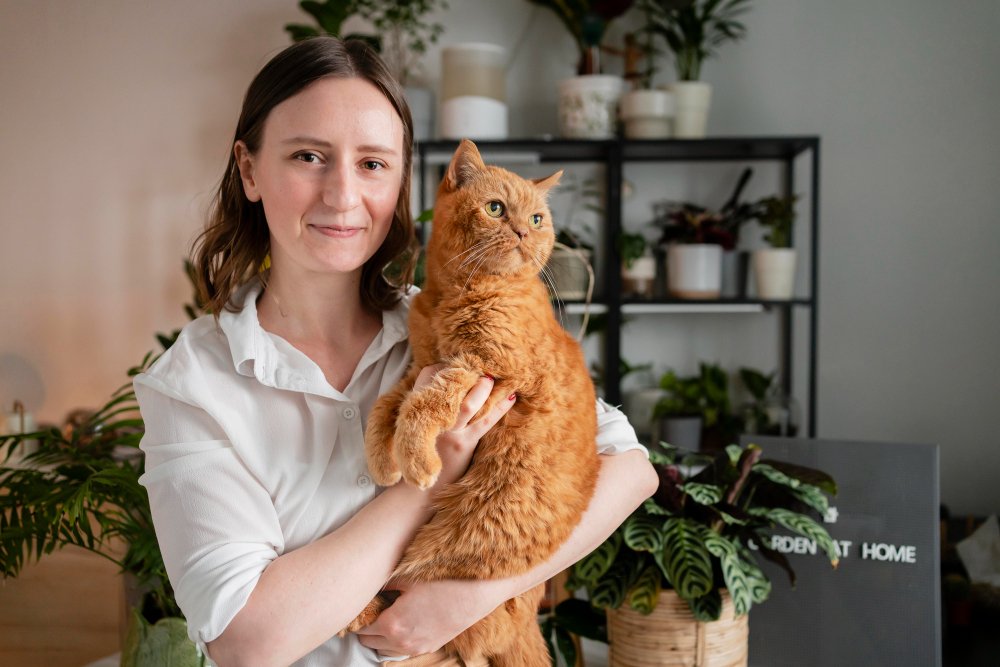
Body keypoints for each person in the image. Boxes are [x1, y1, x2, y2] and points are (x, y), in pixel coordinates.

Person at [135, 37, 658, 667]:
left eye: (374, 164)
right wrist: (427, 479)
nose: (342, 195)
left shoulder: (447, 323)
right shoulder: (192, 385)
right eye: (308, 156)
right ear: (249, 169)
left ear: (403, 181)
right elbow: (248, 641)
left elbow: (630, 467)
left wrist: (471, 596)